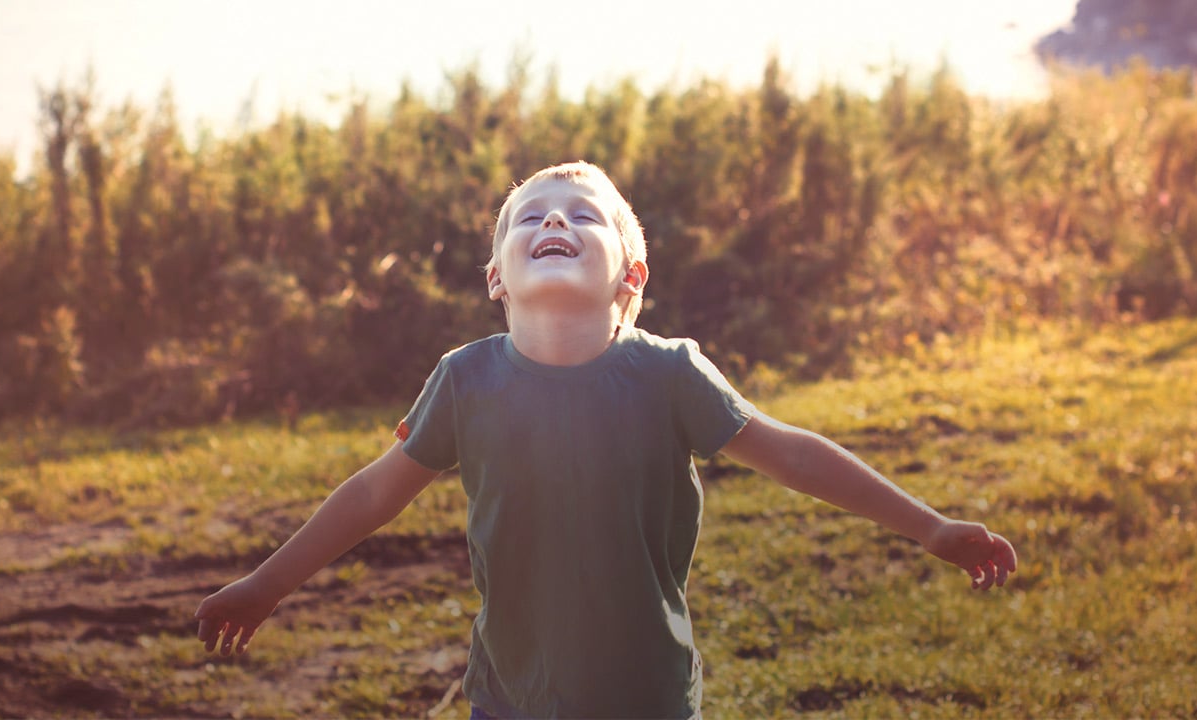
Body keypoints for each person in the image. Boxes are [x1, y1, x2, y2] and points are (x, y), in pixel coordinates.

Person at [195, 161, 1018, 719]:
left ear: (631, 275)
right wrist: (268, 584)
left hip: (647, 696)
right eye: (530, 217)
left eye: (584, 214)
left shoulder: (670, 374)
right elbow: (374, 492)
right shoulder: (465, 379)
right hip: (512, 696)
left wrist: (932, 527)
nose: (555, 218)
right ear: (496, 278)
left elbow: (793, 452)